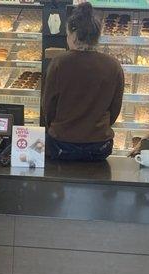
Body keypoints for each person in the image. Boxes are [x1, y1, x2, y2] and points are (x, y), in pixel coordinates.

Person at [42, 2, 124, 161]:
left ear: (73, 34)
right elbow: (115, 108)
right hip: (100, 146)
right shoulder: (113, 65)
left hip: (61, 144)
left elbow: (48, 107)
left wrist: (56, 127)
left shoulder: (59, 63)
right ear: (97, 36)